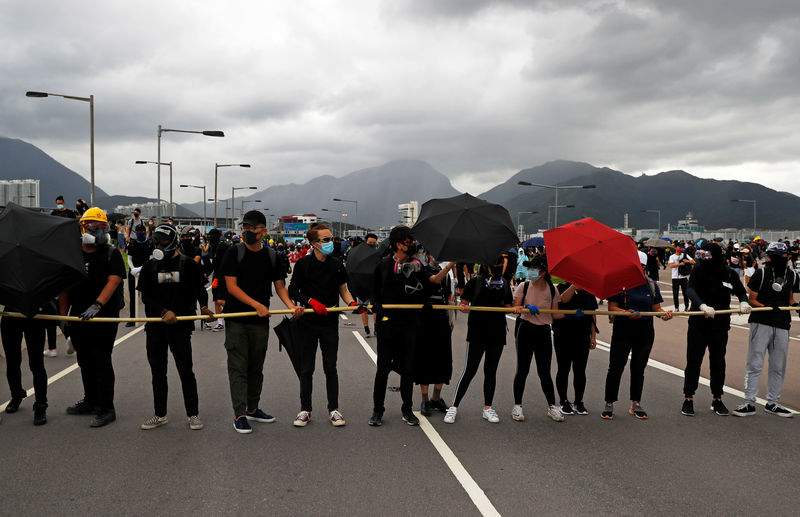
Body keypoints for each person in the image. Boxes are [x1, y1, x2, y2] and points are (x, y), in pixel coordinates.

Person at [222, 210, 303, 433]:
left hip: (260, 322)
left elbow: (279, 287)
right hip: (236, 318)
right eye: (244, 227)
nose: (247, 232)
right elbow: (232, 287)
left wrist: (290, 306)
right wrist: (256, 305)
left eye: (252, 228)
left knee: (256, 367)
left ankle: (253, 408)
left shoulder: (271, 256)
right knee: (238, 367)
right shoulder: (233, 253)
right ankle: (239, 414)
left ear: (263, 231)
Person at [137, 224, 215, 431]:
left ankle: (193, 414)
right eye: (156, 240)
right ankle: (160, 414)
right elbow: (145, 296)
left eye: (162, 241)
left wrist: (205, 308)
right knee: (158, 372)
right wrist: (163, 311)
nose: (158, 244)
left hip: (181, 327)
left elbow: (201, 290)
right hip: (156, 327)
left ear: (172, 242)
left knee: (185, 371)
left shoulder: (188, 265)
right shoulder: (149, 267)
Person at [288, 223, 362, 427]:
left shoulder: (337, 264)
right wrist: (310, 301)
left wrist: (353, 303)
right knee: (307, 368)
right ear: (314, 244)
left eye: (332, 239)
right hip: (307, 323)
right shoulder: (303, 264)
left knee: (331, 367)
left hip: (329, 323)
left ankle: (334, 409)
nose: (331, 243)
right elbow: (293, 290)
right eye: (327, 240)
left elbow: (343, 290)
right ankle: (305, 409)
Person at [59, 207, 126, 428]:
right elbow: (65, 287)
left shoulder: (110, 253)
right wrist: (62, 317)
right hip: (78, 316)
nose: (99, 231)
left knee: (101, 359)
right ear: (83, 227)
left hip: (104, 316)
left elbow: (114, 281)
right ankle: (90, 400)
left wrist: (97, 304)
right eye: (94, 227)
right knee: (84, 360)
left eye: (103, 227)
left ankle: (107, 408)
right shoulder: (72, 253)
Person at [369, 226, 430, 427]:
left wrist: (424, 301)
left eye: (412, 242)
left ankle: (407, 409)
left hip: (409, 324)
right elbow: (374, 291)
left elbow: (424, 291)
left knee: (408, 369)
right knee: (383, 369)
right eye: (408, 242)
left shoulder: (418, 266)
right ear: (398, 244)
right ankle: (378, 410)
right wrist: (376, 304)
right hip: (387, 324)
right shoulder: (384, 265)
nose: (411, 245)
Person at [682, 241, 751, 417]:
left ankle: (717, 398)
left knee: (718, 362)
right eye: (700, 256)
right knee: (693, 361)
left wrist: (744, 302)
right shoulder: (698, 270)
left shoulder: (728, 273)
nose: (702, 259)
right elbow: (690, 290)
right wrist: (701, 305)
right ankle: (688, 398)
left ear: (715, 255)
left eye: (706, 256)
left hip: (720, 324)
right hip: (698, 322)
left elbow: (741, 291)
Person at [602, 250, 673, 420]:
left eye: (638, 267)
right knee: (616, 367)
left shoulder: (651, 285)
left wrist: (664, 315)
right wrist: (626, 312)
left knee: (638, 368)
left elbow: (656, 309)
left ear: (643, 266)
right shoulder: (620, 284)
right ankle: (609, 402)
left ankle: (636, 403)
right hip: (623, 331)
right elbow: (612, 308)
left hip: (645, 332)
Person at [444, 256, 512, 424]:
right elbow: (464, 302)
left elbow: (507, 306)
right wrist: (465, 307)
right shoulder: (476, 281)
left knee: (491, 370)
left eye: (502, 263)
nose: (500, 266)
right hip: (477, 331)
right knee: (470, 370)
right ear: (488, 265)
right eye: (498, 263)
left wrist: (516, 308)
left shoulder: (504, 283)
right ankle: (453, 407)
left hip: (497, 332)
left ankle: (487, 408)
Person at [733, 241, 798, 417]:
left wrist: (796, 305)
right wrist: (766, 305)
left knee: (778, 366)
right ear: (770, 256)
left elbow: (790, 297)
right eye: (778, 256)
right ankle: (749, 402)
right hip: (761, 322)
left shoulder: (792, 275)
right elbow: (751, 298)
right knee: (755, 364)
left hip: (783, 324)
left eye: (784, 256)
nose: (782, 258)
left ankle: (773, 403)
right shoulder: (761, 274)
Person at [511, 255, 565, 422]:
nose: (530, 272)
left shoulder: (552, 289)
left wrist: (577, 314)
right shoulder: (523, 286)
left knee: (544, 372)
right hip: (525, 329)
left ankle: (552, 407)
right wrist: (526, 307)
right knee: (523, 370)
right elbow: (515, 308)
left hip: (543, 332)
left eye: (534, 269)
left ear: (543, 272)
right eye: (530, 268)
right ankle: (517, 406)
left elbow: (556, 314)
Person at [414, 252, 456, 416]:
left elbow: (448, 297)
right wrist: (450, 265)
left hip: (441, 320)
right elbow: (435, 280)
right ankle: (424, 400)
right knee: (425, 359)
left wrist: (451, 318)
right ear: (428, 255)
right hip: (425, 321)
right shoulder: (423, 271)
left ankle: (436, 398)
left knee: (443, 358)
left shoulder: (447, 275)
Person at [552, 280, 598, 416]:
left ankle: (579, 401)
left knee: (580, 370)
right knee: (563, 368)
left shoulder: (588, 291)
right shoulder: (560, 288)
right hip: (563, 334)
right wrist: (573, 286)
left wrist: (593, 336)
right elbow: (562, 301)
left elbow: (592, 314)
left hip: (582, 335)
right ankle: (563, 401)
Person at [2, 305, 48, 425]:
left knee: (37, 363)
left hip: (34, 315)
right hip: (11, 315)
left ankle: (40, 405)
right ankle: (16, 395)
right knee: (12, 361)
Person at [125, 224, 154, 327]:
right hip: (133, 272)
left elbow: (151, 258)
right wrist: (133, 269)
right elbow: (129, 259)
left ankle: (150, 317)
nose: (140, 234)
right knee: (133, 296)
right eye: (138, 232)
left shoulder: (150, 244)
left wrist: (143, 268)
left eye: (142, 232)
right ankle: (132, 318)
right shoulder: (132, 244)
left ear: (145, 232)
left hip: (146, 271)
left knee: (148, 295)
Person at [360, 233, 379, 336]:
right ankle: (366, 328)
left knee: (375, 307)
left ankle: (376, 328)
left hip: (374, 284)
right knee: (364, 307)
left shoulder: (378, 255)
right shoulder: (359, 255)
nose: (372, 244)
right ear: (365, 242)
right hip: (362, 285)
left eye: (374, 243)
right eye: (369, 243)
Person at [668, 246, 695, 311]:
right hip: (675, 277)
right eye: (679, 251)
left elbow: (694, 262)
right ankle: (676, 308)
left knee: (685, 293)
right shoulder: (672, 256)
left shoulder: (685, 255)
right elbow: (671, 265)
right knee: (675, 293)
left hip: (683, 277)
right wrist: (680, 264)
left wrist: (687, 261)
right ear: (676, 250)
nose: (680, 252)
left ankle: (686, 307)